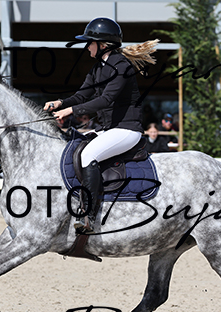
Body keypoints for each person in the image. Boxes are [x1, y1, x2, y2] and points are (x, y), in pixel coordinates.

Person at [43, 17, 159, 233]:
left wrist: (70, 111)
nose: (87, 47)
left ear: (103, 44)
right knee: (74, 147)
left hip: (126, 129)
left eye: (90, 43)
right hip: (108, 130)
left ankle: (88, 215)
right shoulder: (98, 69)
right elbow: (82, 95)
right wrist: (60, 103)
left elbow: (106, 100)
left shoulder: (121, 66)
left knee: (88, 155)